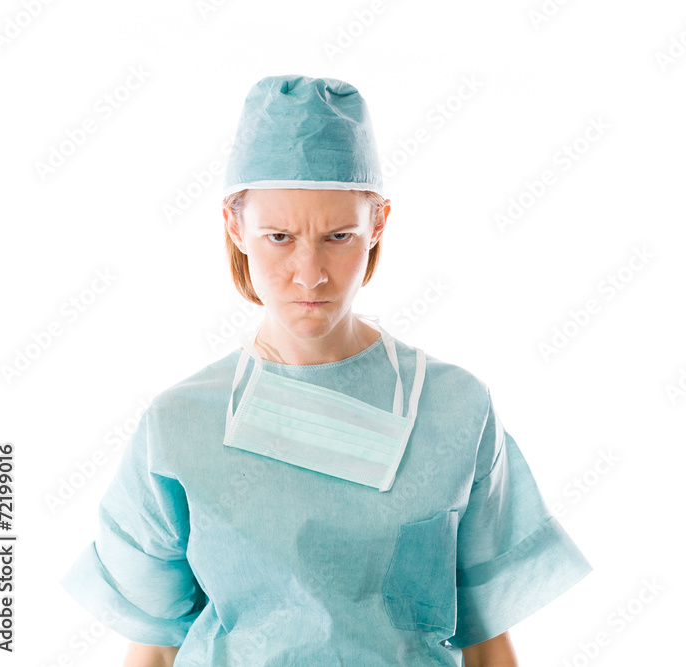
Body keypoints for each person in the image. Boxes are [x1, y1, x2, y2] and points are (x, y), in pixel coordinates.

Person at [60, 75, 592, 667]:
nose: (310, 273)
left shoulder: (454, 410)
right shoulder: (180, 426)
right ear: (235, 226)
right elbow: (157, 648)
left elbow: (486, 643)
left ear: (379, 223)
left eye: (339, 236)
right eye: (279, 237)